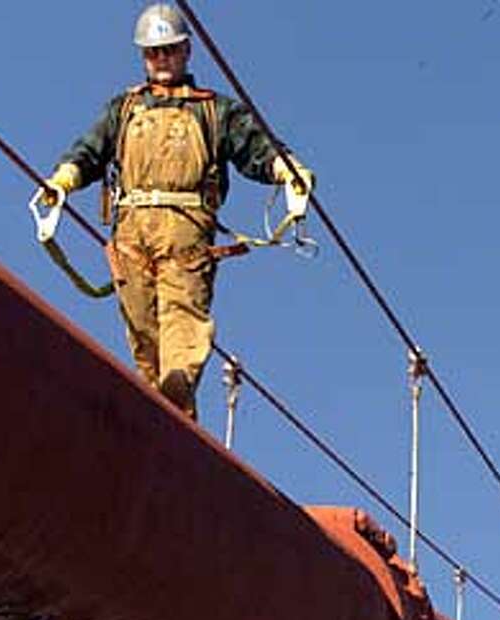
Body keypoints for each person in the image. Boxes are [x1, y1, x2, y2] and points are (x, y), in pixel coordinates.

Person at [46, 3, 313, 419]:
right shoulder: (124, 109)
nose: (161, 59)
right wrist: (63, 180)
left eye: (169, 50)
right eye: (153, 52)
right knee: (144, 340)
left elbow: (253, 146)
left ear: (186, 50)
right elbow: (90, 150)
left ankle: (173, 400)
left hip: (185, 236)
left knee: (180, 330)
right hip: (131, 236)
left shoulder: (214, 110)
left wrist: (285, 169)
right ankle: (161, 419)